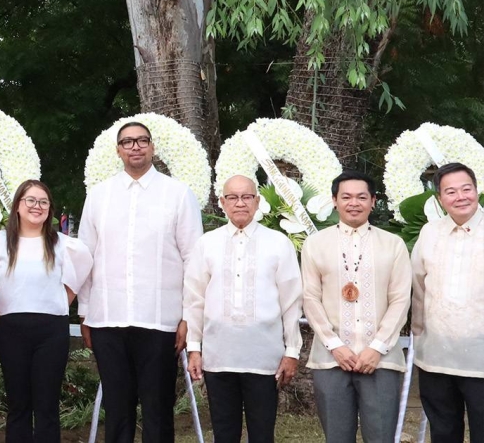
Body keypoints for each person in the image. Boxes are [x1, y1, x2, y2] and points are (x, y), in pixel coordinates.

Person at [77, 121, 202, 443]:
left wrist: (189, 317)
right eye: (128, 142)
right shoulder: (99, 196)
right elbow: (85, 259)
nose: (135, 147)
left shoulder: (177, 195)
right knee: (117, 408)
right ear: (118, 150)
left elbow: (194, 260)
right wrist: (86, 314)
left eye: (142, 140)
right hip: (108, 317)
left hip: (160, 320)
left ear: (152, 147)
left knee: (158, 406)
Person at [183, 174, 301, 443]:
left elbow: (292, 302)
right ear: (222, 203)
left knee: (262, 433)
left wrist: (292, 351)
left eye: (246, 197)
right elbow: (194, 299)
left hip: (264, 358)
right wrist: (194, 349)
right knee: (224, 433)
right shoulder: (206, 243)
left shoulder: (278, 243)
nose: (240, 203)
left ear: (257, 202)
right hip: (218, 356)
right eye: (233, 197)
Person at [300, 171, 411, 443]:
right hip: (331, 359)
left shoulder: (393, 244)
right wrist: (334, 345)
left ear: (373, 201)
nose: (354, 203)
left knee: (382, 436)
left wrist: (377, 348)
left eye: (362, 197)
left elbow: (400, 299)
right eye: (346, 196)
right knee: (337, 437)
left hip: (381, 360)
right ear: (334, 200)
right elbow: (310, 298)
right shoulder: (315, 244)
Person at [0, 180, 92, 443]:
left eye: (43, 201)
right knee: (18, 405)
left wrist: (60, 299)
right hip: (12, 330)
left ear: (50, 209)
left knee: (47, 406)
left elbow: (78, 275)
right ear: (18, 205)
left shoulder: (63, 245)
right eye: (30, 200)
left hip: (51, 332)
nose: (36, 206)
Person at [412, 162, 484, 443]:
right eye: (451, 192)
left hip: (481, 358)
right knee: (443, 431)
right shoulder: (430, 233)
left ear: (476, 190)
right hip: (436, 356)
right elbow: (418, 284)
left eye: (466, 189)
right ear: (440, 199)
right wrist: (419, 331)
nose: (460, 197)